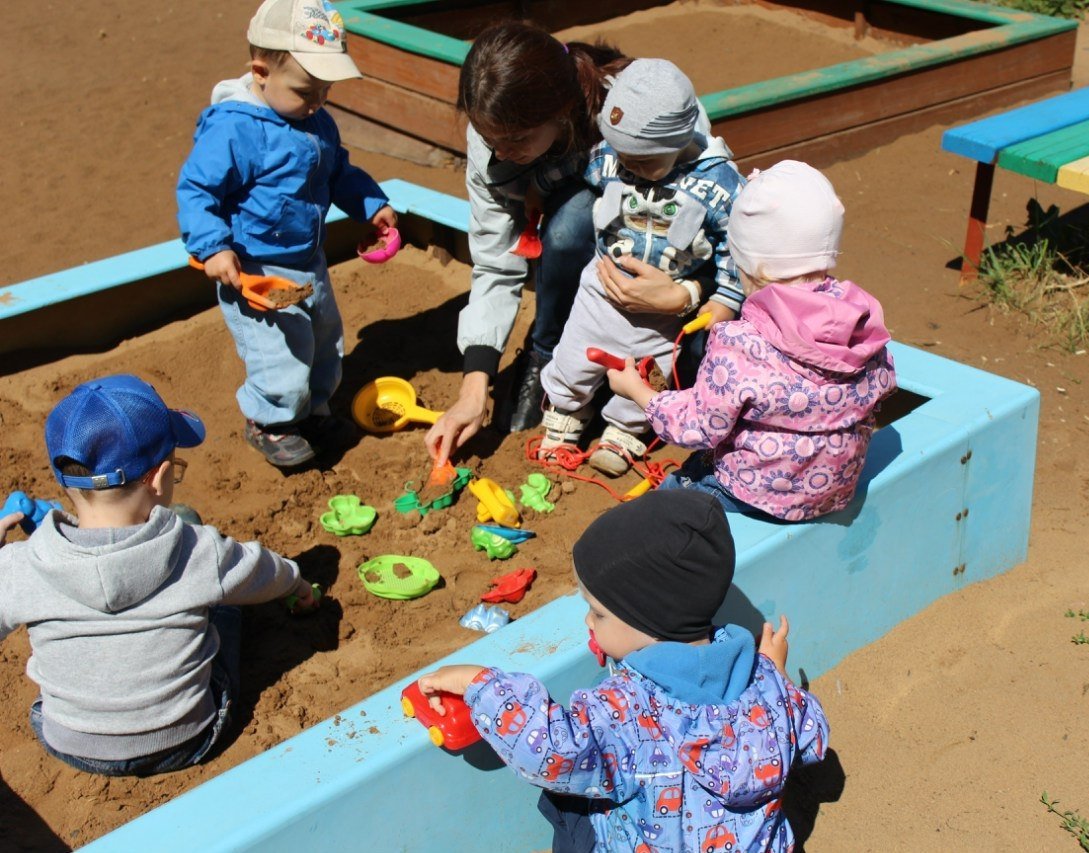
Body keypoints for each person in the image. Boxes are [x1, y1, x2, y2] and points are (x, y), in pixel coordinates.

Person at [417, 490, 828, 852]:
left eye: (597, 612)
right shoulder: (768, 685)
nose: (588, 623)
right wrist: (777, 674)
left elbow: (550, 751)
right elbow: (813, 739)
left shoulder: (623, 714)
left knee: (568, 797)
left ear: (646, 622)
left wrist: (478, 683)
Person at [427, 22, 723, 458]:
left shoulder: (648, 105)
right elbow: (495, 259)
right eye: (490, 139)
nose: (501, 152)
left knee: (578, 220)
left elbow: (704, 207)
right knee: (570, 225)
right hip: (588, 267)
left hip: (662, 248)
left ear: (562, 111)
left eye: (516, 140)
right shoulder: (493, 136)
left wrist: (681, 295)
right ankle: (548, 355)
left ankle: (631, 380)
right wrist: (474, 389)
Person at [0, 375, 318, 776]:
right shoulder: (198, 550)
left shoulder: (19, 565)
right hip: (187, 739)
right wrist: (297, 582)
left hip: (70, 743)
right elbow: (263, 572)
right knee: (225, 608)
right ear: (160, 477)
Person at [608, 161, 897, 521]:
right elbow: (883, 385)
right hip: (833, 486)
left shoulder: (739, 343)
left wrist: (639, 392)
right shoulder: (859, 319)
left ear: (750, 265)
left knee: (669, 498)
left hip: (758, 493)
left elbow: (697, 427)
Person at [177, 0, 396, 468]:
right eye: (304, 91)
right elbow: (197, 190)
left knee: (323, 339)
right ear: (260, 72)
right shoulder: (235, 128)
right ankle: (271, 422)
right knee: (278, 354)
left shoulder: (317, 122)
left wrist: (371, 204)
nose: (316, 101)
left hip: (307, 258)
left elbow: (337, 172)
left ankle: (311, 412)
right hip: (254, 268)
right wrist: (213, 247)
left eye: (324, 90)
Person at [537, 58, 744, 476]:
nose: (629, 166)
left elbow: (734, 246)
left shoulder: (717, 184)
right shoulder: (611, 157)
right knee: (576, 353)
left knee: (648, 370)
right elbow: (576, 165)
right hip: (602, 288)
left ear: (681, 140)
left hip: (662, 307)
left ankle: (625, 430)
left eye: (644, 161)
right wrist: (535, 189)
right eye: (624, 156)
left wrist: (725, 297)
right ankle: (565, 410)